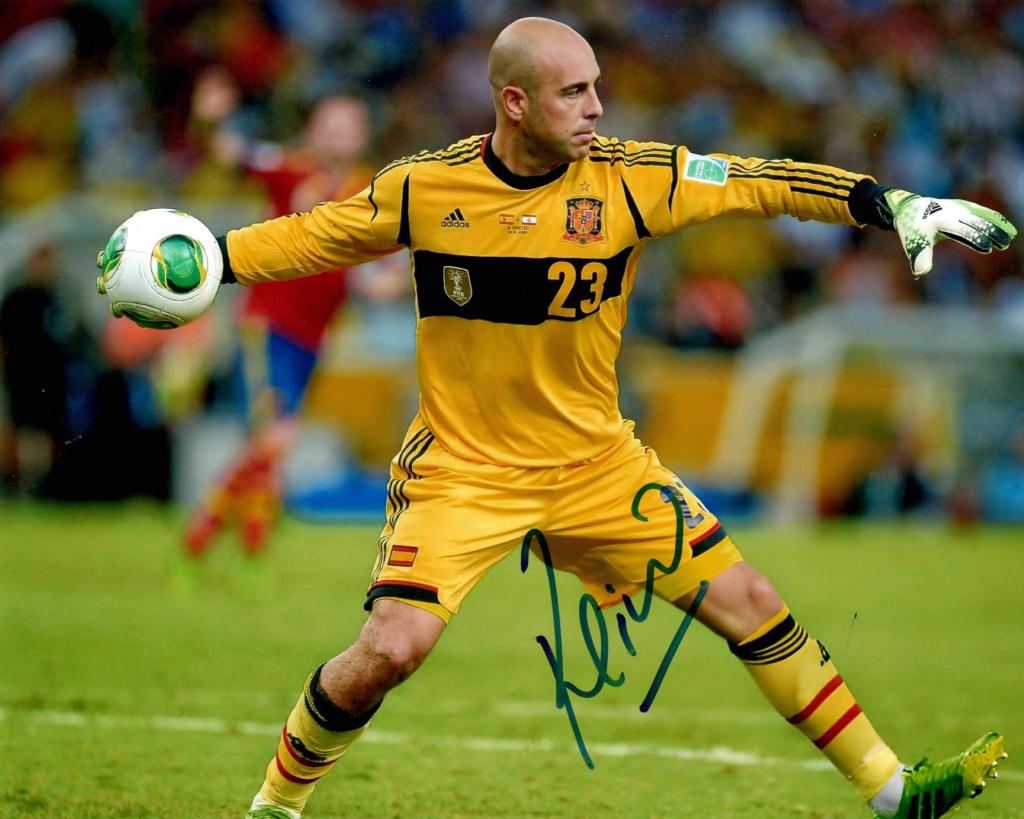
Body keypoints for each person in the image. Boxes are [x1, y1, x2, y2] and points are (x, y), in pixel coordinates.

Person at [125, 17, 1015, 818]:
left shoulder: (632, 179)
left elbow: (758, 183)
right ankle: (276, 804)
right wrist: (208, 259)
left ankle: (894, 792)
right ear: (514, 102)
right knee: (392, 648)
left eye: (596, 87)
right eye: (573, 91)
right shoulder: (425, 188)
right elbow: (315, 233)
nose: (597, 107)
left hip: (597, 466)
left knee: (751, 601)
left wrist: (891, 204)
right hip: (463, 469)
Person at [181, 86, 375, 567]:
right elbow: (230, 152)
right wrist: (209, 120)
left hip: (314, 337)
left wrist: (382, 283)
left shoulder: (370, 190)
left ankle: (226, 537)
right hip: (268, 325)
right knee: (275, 436)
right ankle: (220, 534)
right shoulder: (289, 169)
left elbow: (372, 268)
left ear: (362, 137)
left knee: (269, 446)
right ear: (313, 131)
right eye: (330, 126)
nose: (338, 136)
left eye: (347, 128)